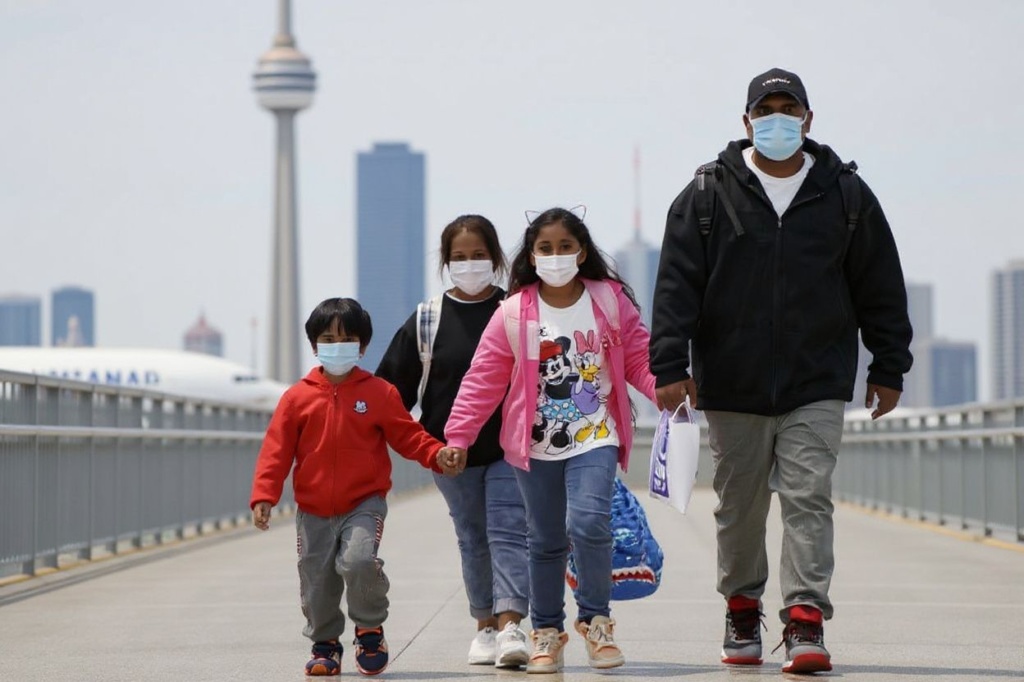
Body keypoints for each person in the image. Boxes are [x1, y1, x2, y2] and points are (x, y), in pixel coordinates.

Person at [650, 67, 913, 674]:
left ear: (808, 120)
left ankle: (804, 621)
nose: (777, 119)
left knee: (807, 498)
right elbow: (675, 287)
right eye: (765, 109)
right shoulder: (706, 194)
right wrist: (669, 364)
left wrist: (889, 364)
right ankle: (742, 608)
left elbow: (880, 286)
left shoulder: (846, 195)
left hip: (816, 381)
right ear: (747, 122)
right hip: (731, 380)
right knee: (739, 506)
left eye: (787, 108)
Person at [445, 207, 657, 674]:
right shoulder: (514, 311)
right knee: (543, 539)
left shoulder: (608, 299)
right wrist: (458, 435)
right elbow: (483, 380)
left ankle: (597, 622)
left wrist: (665, 388)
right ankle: (545, 631)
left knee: (587, 523)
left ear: (582, 252)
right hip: (534, 445)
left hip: (595, 433)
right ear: (532, 255)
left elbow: (639, 357)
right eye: (546, 248)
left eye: (565, 247)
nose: (556, 256)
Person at [250, 297, 463, 677]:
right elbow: (276, 450)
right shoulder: (296, 398)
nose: (337, 345)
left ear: (362, 346)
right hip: (313, 508)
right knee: (316, 577)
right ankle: (325, 645)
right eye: (328, 338)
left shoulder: (379, 393)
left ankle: (369, 628)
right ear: (314, 345)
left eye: (347, 338)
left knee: (358, 561)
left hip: (364, 502)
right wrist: (264, 495)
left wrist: (436, 454)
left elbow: (408, 435)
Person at [375, 214, 531, 669]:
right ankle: (483, 625)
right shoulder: (428, 319)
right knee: (471, 537)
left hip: (508, 448)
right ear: (446, 263)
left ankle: (510, 627)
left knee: (507, 532)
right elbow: (392, 393)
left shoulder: (516, 310)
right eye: (459, 258)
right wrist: (417, 443)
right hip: (449, 455)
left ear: (497, 258)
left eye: (479, 255)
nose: (470, 264)